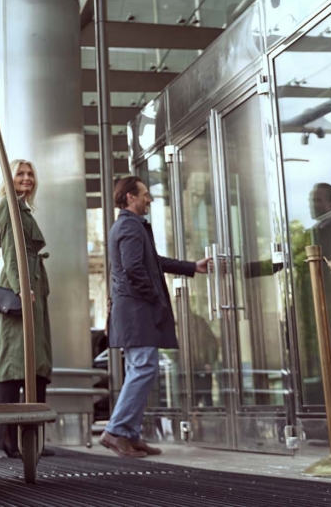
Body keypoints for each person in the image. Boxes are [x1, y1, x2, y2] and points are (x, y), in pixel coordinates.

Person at [99, 176, 209, 458]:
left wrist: (191, 267)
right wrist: (155, 298)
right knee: (143, 368)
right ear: (129, 198)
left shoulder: (132, 226)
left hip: (135, 311)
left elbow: (152, 262)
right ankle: (116, 431)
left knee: (144, 368)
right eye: (145, 195)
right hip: (136, 312)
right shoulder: (129, 227)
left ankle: (131, 434)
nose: (150, 199)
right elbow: (135, 270)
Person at [0, 159, 53, 459]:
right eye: (20, 173)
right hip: (21, 289)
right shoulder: (8, 206)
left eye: (30, 173)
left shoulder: (22, 207)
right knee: (15, 363)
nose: (27, 178)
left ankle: (32, 440)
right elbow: (12, 253)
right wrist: (20, 288)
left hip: (32, 287)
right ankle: (7, 440)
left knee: (35, 362)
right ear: (9, 178)